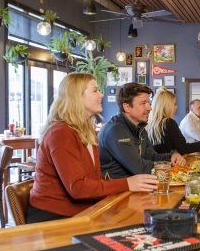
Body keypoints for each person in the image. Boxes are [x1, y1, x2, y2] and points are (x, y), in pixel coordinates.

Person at [27, 73, 158, 223]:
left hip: (85, 210)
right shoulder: (60, 132)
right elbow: (78, 188)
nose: (102, 94)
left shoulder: (86, 130)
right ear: (77, 96)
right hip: (54, 217)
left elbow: (92, 180)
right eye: (95, 90)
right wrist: (128, 183)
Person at [99, 83, 185, 179]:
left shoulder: (140, 128)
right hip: (117, 190)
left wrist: (171, 157)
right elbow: (139, 168)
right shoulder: (115, 131)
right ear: (126, 107)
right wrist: (169, 165)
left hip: (137, 185)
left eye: (149, 103)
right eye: (143, 103)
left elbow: (151, 156)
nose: (149, 108)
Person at [146, 87, 200, 154]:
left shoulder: (151, 123)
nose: (176, 107)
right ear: (167, 106)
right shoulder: (169, 122)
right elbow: (183, 148)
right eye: (174, 104)